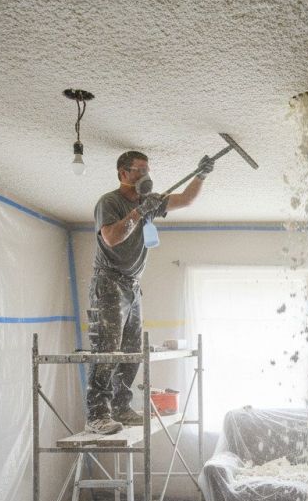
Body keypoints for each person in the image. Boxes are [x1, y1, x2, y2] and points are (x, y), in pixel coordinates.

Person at [85, 150, 214, 434]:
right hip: (108, 282)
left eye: (147, 170)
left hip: (132, 285)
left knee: (132, 350)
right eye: (139, 171)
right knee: (108, 348)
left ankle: (120, 407)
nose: (146, 176)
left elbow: (187, 199)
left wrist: (201, 175)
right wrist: (138, 213)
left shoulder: (149, 202)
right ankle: (97, 415)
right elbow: (112, 237)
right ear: (123, 174)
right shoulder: (110, 202)